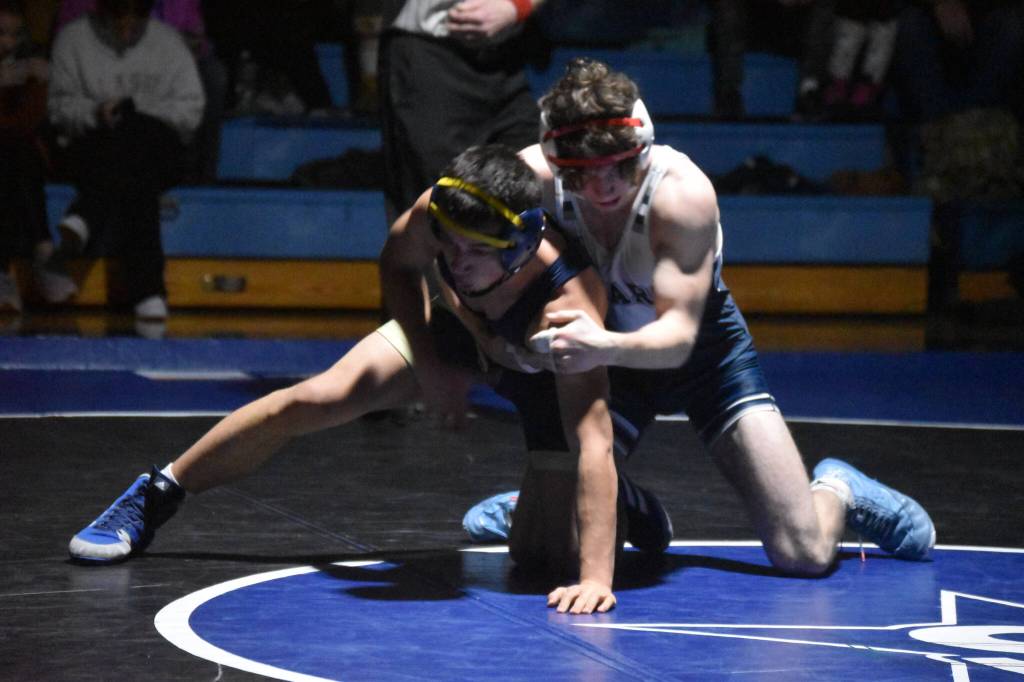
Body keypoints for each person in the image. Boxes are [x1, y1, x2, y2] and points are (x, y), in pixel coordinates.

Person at [67, 143, 669, 615]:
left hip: (541, 372)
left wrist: (596, 579)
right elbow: (398, 265)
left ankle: (625, 502)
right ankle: (157, 493)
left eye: (475, 252)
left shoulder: (569, 306)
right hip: (459, 332)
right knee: (315, 399)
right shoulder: (439, 212)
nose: (456, 262)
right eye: (449, 246)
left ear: (518, 246)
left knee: (542, 560)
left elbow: (593, 441)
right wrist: (429, 361)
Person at [465, 58, 936, 581]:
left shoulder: (680, 195)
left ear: (642, 148)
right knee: (559, 554)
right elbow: (437, 221)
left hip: (703, 356)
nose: (602, 187)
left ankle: (838, 490)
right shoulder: (533, 176)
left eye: (619, 166)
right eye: (583, 173)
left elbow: (677, 339)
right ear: (557, 160)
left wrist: (598, 344)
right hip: (606, 354)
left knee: (803, 552)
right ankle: (614, 500)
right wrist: (482, 335)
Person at [45, 0, 204, 323]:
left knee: (136, 135)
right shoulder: (73, 40)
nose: (127, 28)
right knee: (136, 171)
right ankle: (148, 291)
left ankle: (87, 212)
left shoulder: (168, 43)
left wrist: (134, 110)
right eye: (118, 17)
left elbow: (189, 108)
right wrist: (96, 112)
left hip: (159, 147)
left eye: (136, 18)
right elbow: (59, 108)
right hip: (95, 146)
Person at [379, 0, 544, 224]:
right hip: (430, 50)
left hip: (507, 56)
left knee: (534, 183)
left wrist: (519, 5)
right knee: (437, 201)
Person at [0, 0, 61, 312]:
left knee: (14, 154)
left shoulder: (30, 65)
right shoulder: (19, 71)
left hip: (18, 153)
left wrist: (29, 79)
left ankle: (7, 270)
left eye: (14, 35)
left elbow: (30, 119)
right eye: (1, 34)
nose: (7, 43)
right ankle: (42, 247)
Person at [707, 0, 836, 120]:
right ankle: (728, 94)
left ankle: (809, 90)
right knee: (727, 6)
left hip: (790, 25)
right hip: (749, 24)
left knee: (824, 6)